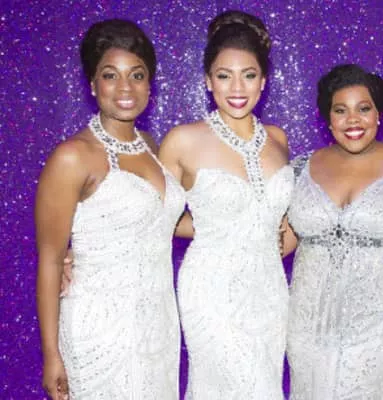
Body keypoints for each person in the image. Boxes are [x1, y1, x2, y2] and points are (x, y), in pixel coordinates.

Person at [35, 20, 184, 400]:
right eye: (110, 75)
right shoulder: (72, 157)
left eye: (137, 75)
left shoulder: (152, 146)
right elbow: (50, 260)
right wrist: (51, 355)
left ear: (150, 85)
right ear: (92, 84)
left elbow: (162, 222)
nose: (125, 87)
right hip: (98, 331)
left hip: (158, 327)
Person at [281, 64, 383, 399]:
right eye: (341, 110)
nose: (353, 120)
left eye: (363, 108)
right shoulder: (299, 169)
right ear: (328, 118)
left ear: (379, 114)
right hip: (308, 331)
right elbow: (278, 243)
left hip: (382, 332)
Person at [158, 10, 293, 399]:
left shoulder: (279, 139)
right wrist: (78, 257)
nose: (237, 87)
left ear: (263, 81)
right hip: (210, 292)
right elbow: (152, 220)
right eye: (223, 75)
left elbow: (281, 221)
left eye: (248, 75)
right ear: (207, 80)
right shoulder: (182, 141)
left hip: (270, 291)